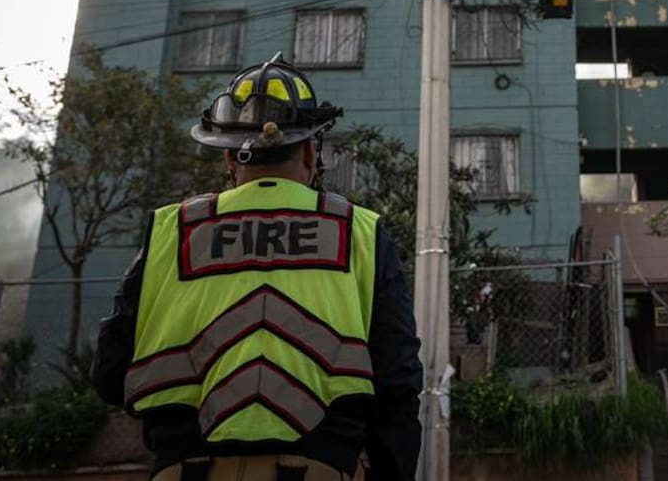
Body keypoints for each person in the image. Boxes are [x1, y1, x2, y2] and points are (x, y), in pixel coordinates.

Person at [91, 53, 422, 481]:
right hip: (319, 466)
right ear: (308, 151)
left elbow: (110, 373)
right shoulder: (359, 230)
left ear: (229, 158)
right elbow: (398, 380)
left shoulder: (171, 230)